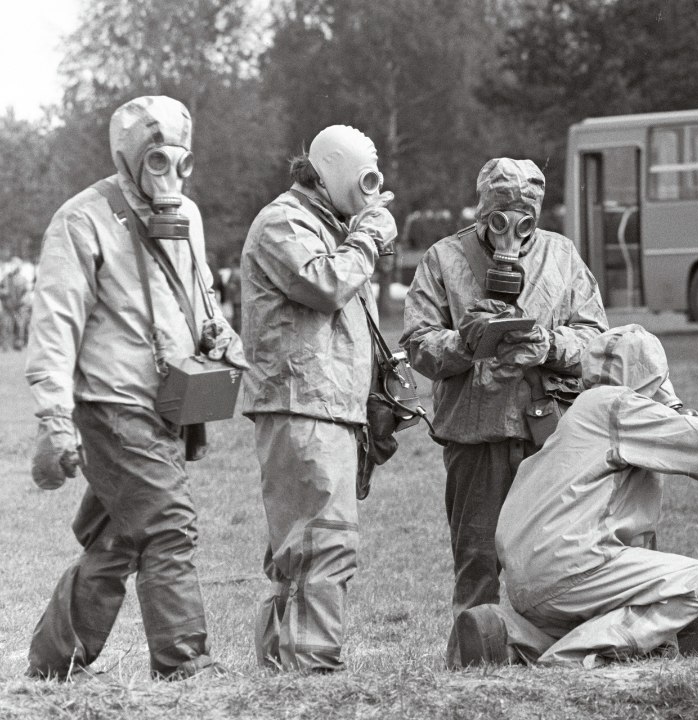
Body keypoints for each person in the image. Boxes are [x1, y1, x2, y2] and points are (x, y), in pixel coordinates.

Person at [24, 95, 245, 680]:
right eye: (157, 161)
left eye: (181, 161)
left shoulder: (188, 218)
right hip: (112, 406)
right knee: (169, 523)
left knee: (123, 538)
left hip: (171, 403)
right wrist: (53, 419)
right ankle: (184, 666)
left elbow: (197, 299)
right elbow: (54, 327)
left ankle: (52, 662)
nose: (170, 176)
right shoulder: (81, 219)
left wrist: (218, 332)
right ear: (130, 157)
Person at [448, 324, 698, 668]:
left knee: (600, 616)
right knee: (697, 583)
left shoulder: (582, 414)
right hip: (570, 568)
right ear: (653, 375)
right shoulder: (620, 410)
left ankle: (509, 637)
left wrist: (671, 407)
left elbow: (681, 434)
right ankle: (572, 661)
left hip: (526, 579)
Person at [400, 157, 608, 664]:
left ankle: (551, 654)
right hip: (477, 436)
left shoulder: (561, 256)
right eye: (499, 216)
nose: (511, 228)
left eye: (524, 216)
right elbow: (417, 343)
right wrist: (465, 342)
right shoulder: (444, 259)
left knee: (558, 556)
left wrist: (550, 344)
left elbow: (597, 338)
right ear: (484, 211)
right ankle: (476, 664)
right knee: (477, 561)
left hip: (548, 433)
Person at [240, 124, 397, 673]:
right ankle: (310, 669)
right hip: (301, 402)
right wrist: (370, 237)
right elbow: (325, 285)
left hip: (323, 406)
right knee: (323, 543)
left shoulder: (329, 226)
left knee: (302, 546)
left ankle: (283, 664)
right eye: (366, 178)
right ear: (330, 170)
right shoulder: (285, 222)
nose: (372, 190)